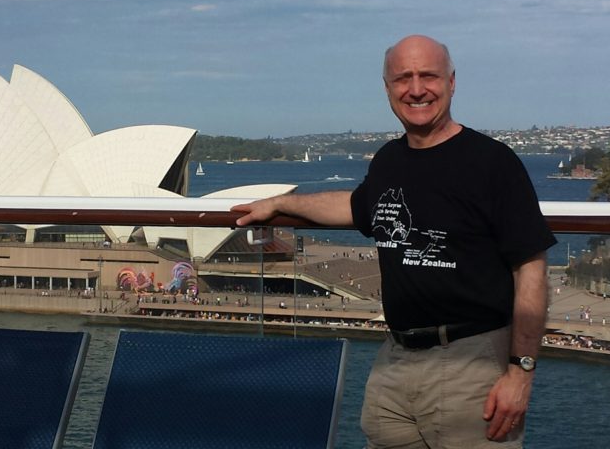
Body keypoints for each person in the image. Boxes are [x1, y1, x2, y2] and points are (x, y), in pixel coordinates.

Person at [233, 35, 554, 448]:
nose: (416, 89)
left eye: (428, 76)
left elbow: (531, 269)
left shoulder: (492, 162)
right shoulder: (389, 160)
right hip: (395, 361)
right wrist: (280, 202)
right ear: (387, 88)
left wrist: (520, 372)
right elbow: (355, 206)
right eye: (403, 78)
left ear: (452, 82)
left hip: (471, 362)